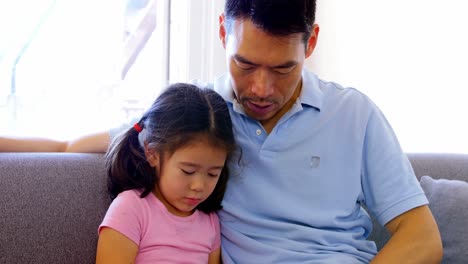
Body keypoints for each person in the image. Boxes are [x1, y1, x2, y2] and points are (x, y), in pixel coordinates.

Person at [0, 1, 443, 263]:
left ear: (310, 45)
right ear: (221, 33)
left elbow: (422, 236)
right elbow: (70, 145)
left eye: (284, 68)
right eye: (245, 64)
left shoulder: (355, 114)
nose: (261, 89)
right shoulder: (199, 115)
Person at [95, 83, 236, 264]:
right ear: (152, 153)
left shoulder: (209, 222)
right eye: (188, 171)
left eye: (212, 174)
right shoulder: (131, 209)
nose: (199, 186)